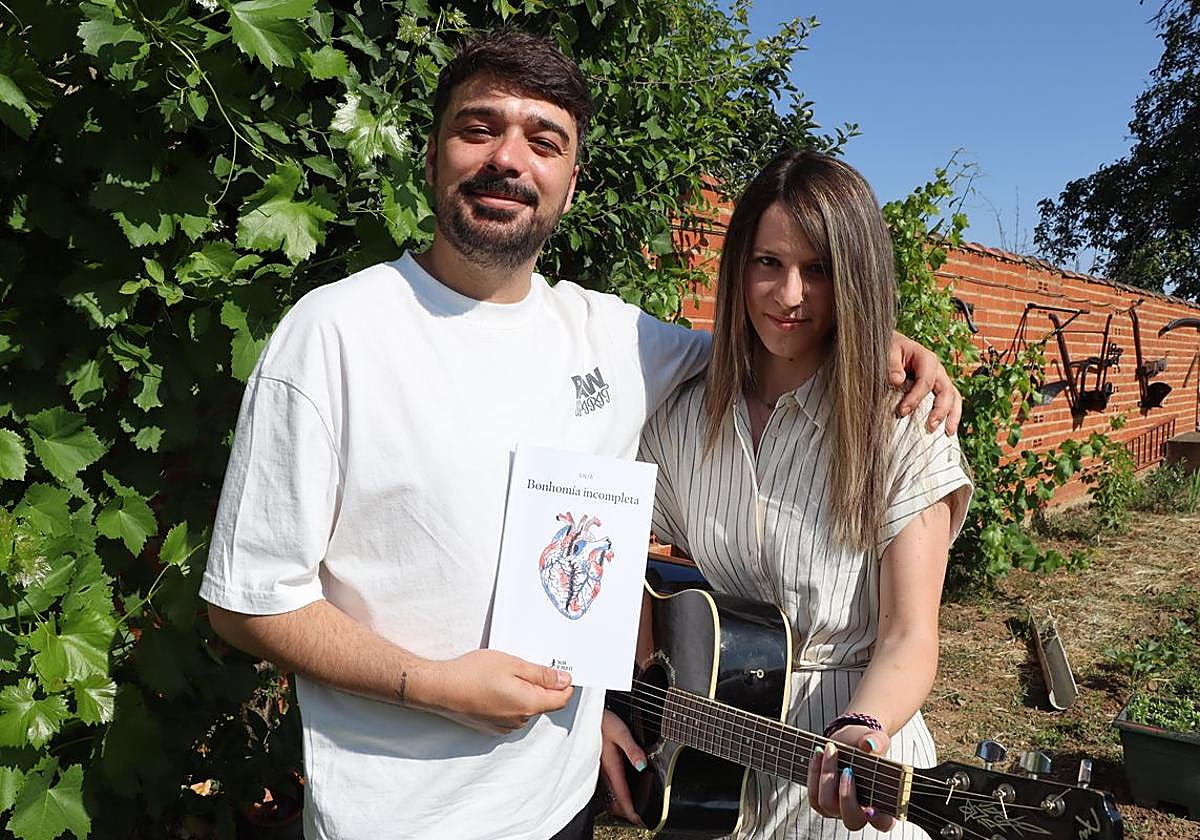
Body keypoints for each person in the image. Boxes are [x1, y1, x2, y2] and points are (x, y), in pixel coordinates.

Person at [201, 31, 963, 840]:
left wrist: (877, 342)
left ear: (570, 182)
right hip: (395, 817)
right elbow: (248, 603)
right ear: (430, 153)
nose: (508, 160)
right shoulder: (332, 335)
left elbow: (769, 349)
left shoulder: (617, 342)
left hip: (567, 808)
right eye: (477, 128)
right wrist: (433, 685)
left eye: (543, 141)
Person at [604, 149, 973, 839]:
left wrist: (863, 729)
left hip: (847, 784)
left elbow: (909, 633)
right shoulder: (683, 415)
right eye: (768, 263)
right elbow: (609, 562)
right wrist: (614, 698)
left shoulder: (903, 424)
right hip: (707, 779)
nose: (790, 294)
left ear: (855, 279)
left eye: (819, 270)